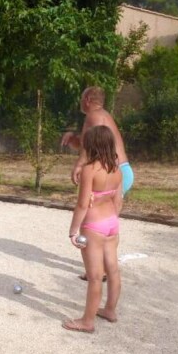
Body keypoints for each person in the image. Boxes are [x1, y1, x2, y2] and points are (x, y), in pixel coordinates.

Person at [61, 86, 134, 281]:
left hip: (109, 171)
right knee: (108, 218)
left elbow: (87, 149)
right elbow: (89, 144)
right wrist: (73, 139)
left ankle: (97, 270)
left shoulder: (93, 116)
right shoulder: (102, 115)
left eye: (81, 98)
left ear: (87, 99)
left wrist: (79, 166)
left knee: (90, 219)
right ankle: (107, 268)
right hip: (120, 170)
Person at [63, 126, 122, 333]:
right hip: (112, 223)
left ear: (90, 145)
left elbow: (82, 205)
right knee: (113, 270)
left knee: (95, 276)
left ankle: (87, 321)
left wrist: (73, 231)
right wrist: (112, 220)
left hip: (93, 226)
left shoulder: (90, 170)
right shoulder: (116, 169)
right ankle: (110, 310)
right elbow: (118, 201)